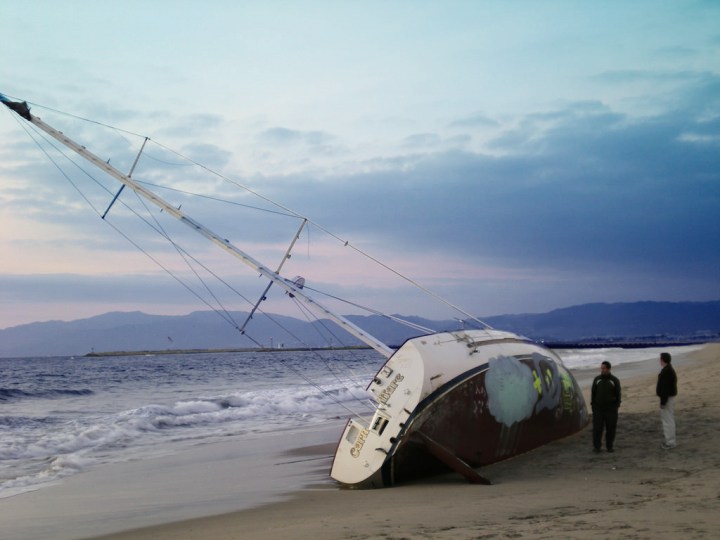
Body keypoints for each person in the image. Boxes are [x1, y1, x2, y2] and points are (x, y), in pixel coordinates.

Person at [591, 360, 621, 452]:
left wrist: (616, 405)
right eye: (601, 368)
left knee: (611, 428)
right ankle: (597, 447)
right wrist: (593, 405)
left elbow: (618, 394)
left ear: (608, 369)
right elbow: (593, 393)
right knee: (597, 428)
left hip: (611, 409)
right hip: (598, 408)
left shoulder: (614, 380)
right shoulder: (597, 379)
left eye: (604, 368)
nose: (602, 370)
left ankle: (609, 446)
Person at [656, 352, 678, 449]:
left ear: (663, 360)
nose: (659, 361)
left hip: (667, 398)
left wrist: (663, 402)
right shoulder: (668, 370)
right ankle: (670, 440)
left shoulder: (667, 371)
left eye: (660, 359)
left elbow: (665, 388)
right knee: (669, 419)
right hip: (669, 397)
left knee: (667, 420)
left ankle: (670, 442)